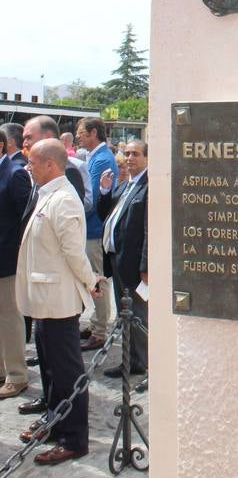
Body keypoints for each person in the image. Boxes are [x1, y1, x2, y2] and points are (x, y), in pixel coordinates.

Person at [16, 139, 102, 464]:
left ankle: (73, 438)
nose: (29, 168)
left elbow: (73, 253)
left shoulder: (64, 199)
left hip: (59, 301)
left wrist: (90, 280)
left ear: (50, 165)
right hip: (44, 300)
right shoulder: (48, 194)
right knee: (51, 369)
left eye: (33, 163)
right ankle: (54, 422)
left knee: (67, 371)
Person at [97, 139, 148, 377]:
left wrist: (145, 265)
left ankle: (140, 362)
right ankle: (130, 360)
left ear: (147, 158)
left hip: (134, 263)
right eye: (127, 153)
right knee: (124, 313)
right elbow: (106, 214)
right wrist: (105, 191)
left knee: (137, 314)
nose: (129, 158)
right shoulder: (124, 184)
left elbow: (150, 230)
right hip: (116, 258)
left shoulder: (148, 186)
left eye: (135, 153)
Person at [76, 118, 117, 350]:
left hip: (94, 229)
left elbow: (90, 199)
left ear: (93, 133)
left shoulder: (101, 159)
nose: (78, 136)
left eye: (81, 132)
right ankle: (95, 324)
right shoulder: (95, 157)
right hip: (90, 228)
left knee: (97, 280)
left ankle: (100, 331)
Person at [0, 129, 31, 398]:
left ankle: (16, 375)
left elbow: (26, 217)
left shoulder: (14, 173)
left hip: (7, 259)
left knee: (9, 317)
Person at [22, 117, 92, 211]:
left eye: (29, 137)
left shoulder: (67, 171)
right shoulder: (39, 168)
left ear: (48, 137)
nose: (24, 144)